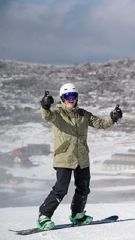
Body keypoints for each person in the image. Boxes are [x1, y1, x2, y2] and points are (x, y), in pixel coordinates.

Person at [37, 83, 123, 230]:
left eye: (73, 96)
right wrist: (45, 106)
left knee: (83, 188)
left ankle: (77, 214)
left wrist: (112, 117)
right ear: (62, 98)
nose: (71, 99)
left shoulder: (83, 114)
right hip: (64, 157)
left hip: (82, 158)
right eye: (67, 96)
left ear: (77, 98)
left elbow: (100, 123)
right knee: (60, 189)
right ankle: (44, 216)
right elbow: (47, 116)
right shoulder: (58, 114)